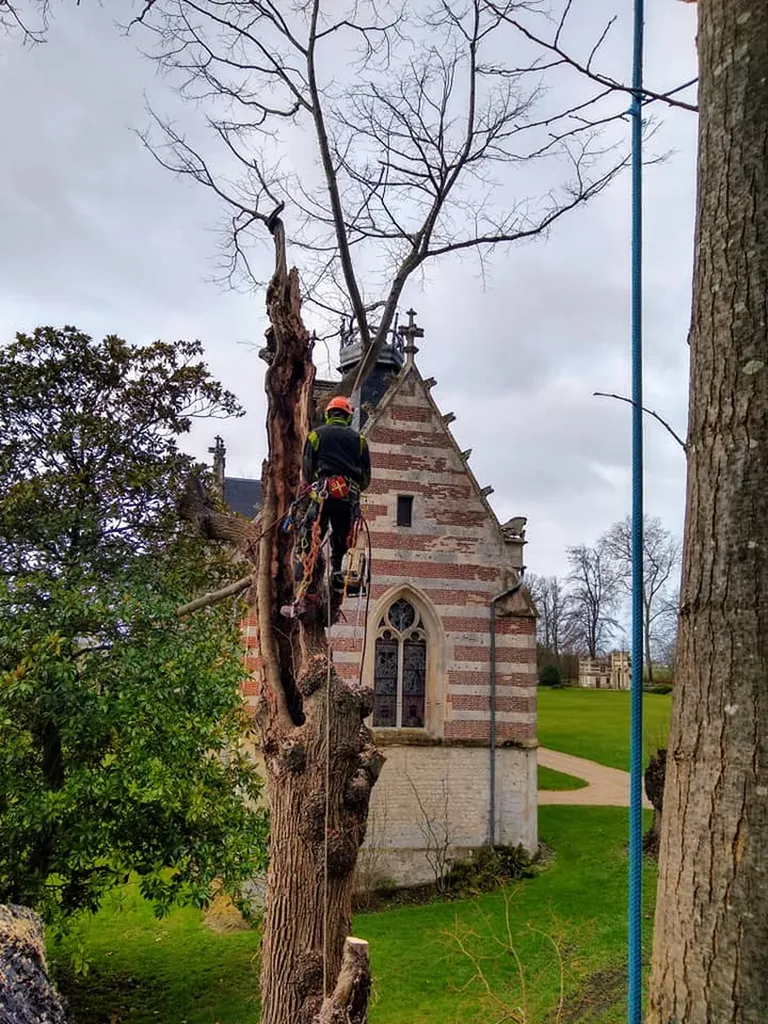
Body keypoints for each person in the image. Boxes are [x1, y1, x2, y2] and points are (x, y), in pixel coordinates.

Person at [300, 395, 371, 590]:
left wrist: (317, 482)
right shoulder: (360, 441)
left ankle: (304, 563)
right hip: (348, 496)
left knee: (313, 526)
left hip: (323, 493)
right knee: (343, 537)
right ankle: (337, 573)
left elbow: (307, 470)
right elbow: (366, 477)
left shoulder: (315, 435)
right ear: (348, 418)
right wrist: (355, 489)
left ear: (328, 414)